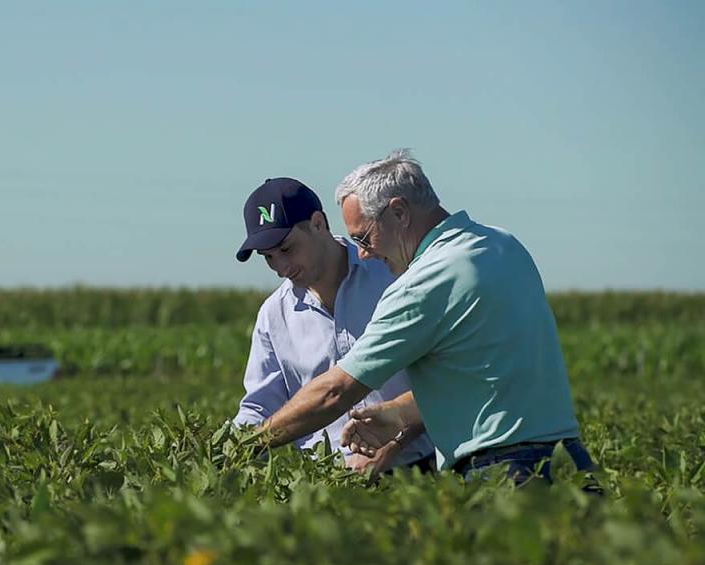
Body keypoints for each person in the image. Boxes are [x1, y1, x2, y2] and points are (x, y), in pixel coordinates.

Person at [250, 150, 594, 484]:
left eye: (365, 237)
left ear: (399, 212)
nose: (365, 253)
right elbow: (478, 377)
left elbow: (336, 393)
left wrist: (250, 444)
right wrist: (397, 416)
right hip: (569, 461)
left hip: (504, 471)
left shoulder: (424, 281)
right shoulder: (502, 244)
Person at [233, 176, 435, 475]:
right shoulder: (273, 315)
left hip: (420, 469)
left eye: (287, 249)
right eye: (268, 258)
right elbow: (259, 407)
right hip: (330, 483)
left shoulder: (393, 277)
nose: (280, 268)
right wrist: (224, 450)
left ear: (318, 223)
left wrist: (393, 444)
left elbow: (443, 379)